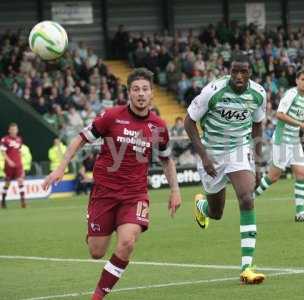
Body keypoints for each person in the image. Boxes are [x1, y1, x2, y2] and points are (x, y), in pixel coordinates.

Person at [42, 68, 182, 300]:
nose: (140, 94)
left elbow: (167, 160)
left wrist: (175, 191)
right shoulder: (111, 116)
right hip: (104, 193)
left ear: (152, 93)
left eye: (145, 89)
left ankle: (97, 296)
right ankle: (97, 226)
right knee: (97, 252)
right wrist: (60, 167)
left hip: (135, 195)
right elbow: (80, 138)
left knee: (127, 242)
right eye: (135, 89)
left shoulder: (158, 126)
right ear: (128, 93)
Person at [184, 54, 266, 284]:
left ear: (250, 73)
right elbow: (188, 122)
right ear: (230, 71)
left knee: (247, 198)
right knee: (216, 213)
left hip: (239, 150)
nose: (239, 76)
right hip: (211, 153)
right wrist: (204, 156)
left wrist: (258, 163)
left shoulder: (258, 94)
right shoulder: (212, 91)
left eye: (244, 72)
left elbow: (258, 124)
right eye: (235, 72)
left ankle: (247, 267)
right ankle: (201, 206)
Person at [255, 68, 304, 222]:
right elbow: (279, 114)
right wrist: (301, 125)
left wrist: (302, 132)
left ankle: (300, 213)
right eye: (302, 79)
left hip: (294, 142)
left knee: (301, 174)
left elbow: (297, 118)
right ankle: (249, 199)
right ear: (297, 80)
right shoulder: (291, 94)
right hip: (282, 141)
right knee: (273, 177)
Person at [0, 123, 26, 208]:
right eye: (13, 129)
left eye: (16, 129)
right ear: (9, 130)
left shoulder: (19, 139)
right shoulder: (5, 140)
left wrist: (21, 163)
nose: (14, 131)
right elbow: (3, 152)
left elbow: (19, 151)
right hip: (9, 165)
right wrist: (9, 161)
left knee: (20, 180)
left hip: (18, 164)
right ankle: (3, 201)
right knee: (7, 182)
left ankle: (23, 201)